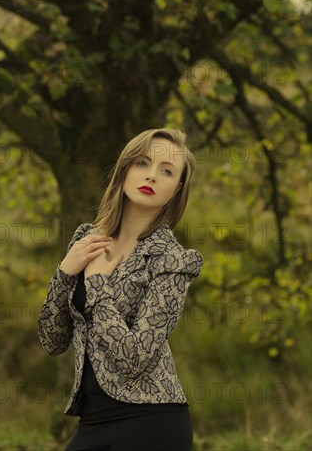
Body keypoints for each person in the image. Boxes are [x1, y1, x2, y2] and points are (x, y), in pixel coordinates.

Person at [38, 127, 204, 451]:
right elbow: (52, 340)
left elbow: (134, 357)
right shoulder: (86, 241)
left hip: (152, 422)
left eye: (166, 171)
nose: (152, 176)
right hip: (92, 422)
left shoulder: (173, 262)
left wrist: (97, 285)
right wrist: (63, 274)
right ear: (125, 168)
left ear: (177, 189)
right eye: (143, 163)